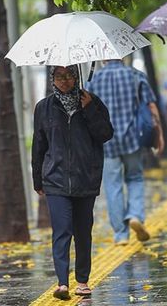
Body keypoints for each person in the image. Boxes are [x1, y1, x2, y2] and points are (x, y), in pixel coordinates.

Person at [32, 65, 113, 300]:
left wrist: (89, 110)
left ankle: (83, 280)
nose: (65, 81)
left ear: (76, 77)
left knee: (82, 231)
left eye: (69, 76)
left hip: (85, 177)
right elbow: (39, 145)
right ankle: (62, 283)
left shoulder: (92, 102)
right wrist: (38, 178)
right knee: (61, 230)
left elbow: (105, 134)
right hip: (55, 179)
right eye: (59, 76)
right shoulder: (44, 107)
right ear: (52, 79)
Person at [86, 59, 164, 246]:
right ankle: (135, 215)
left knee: (113, 186)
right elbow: (151, 107)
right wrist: (159, 135)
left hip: (106, 141)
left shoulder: (93, 81)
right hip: (133, 139)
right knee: (135, 177)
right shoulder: (136, 75)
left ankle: (121, 234)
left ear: (104, 58)